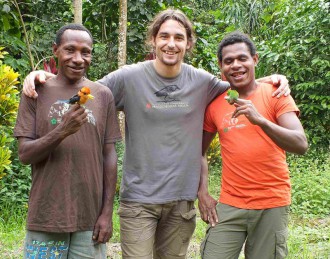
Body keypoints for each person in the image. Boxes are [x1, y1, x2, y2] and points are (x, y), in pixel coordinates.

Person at [22, 9, 290, 259]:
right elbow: (84, 91)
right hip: (139, 201)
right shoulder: (128, 77)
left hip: (181, 203)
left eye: (178, 37)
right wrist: (42, 77)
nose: (171, 44)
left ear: (188, 43)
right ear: (153, 40)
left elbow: (240, 82)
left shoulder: (202, 81)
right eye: (164, 36)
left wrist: (273, 79)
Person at [14, 24, 122, 258]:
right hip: (46, 217)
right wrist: (62, 130)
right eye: (70, 50)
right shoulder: (35, 92)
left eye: (86, 52)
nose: (78, 58)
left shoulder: (102, 95)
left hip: (90, 220)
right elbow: (24, 154)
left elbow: (109, 155)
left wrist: (106, 213)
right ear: (56, 50)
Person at [198, 31, 308, 259]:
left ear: (255, 59)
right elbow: (199, 151)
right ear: (221, 66)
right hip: (230, 203)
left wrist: (259, 119)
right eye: (228, 61)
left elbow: (300, 143)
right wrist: (202, 192)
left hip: (272, 202)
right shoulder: (215, 104)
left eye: (242, 58)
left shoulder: (275, 93)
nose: (236, 65)